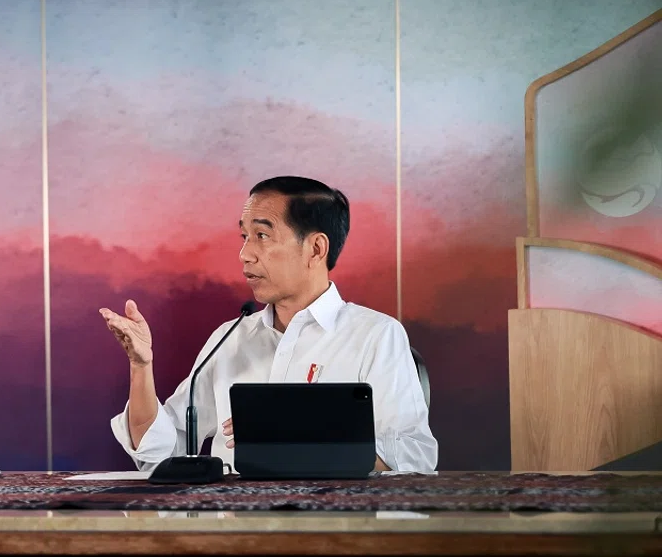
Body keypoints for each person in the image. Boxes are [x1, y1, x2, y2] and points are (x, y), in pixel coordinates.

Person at [99, 176, 437, 473]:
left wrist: (297, 438)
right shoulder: (230, 337)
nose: (245, 254)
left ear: (316, 248)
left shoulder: (376, 335)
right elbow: (160, 451)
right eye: (244, 236)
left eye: (261, 235)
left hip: (331, 521)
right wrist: (141, 367)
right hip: (233, 521)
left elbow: (414, 455)